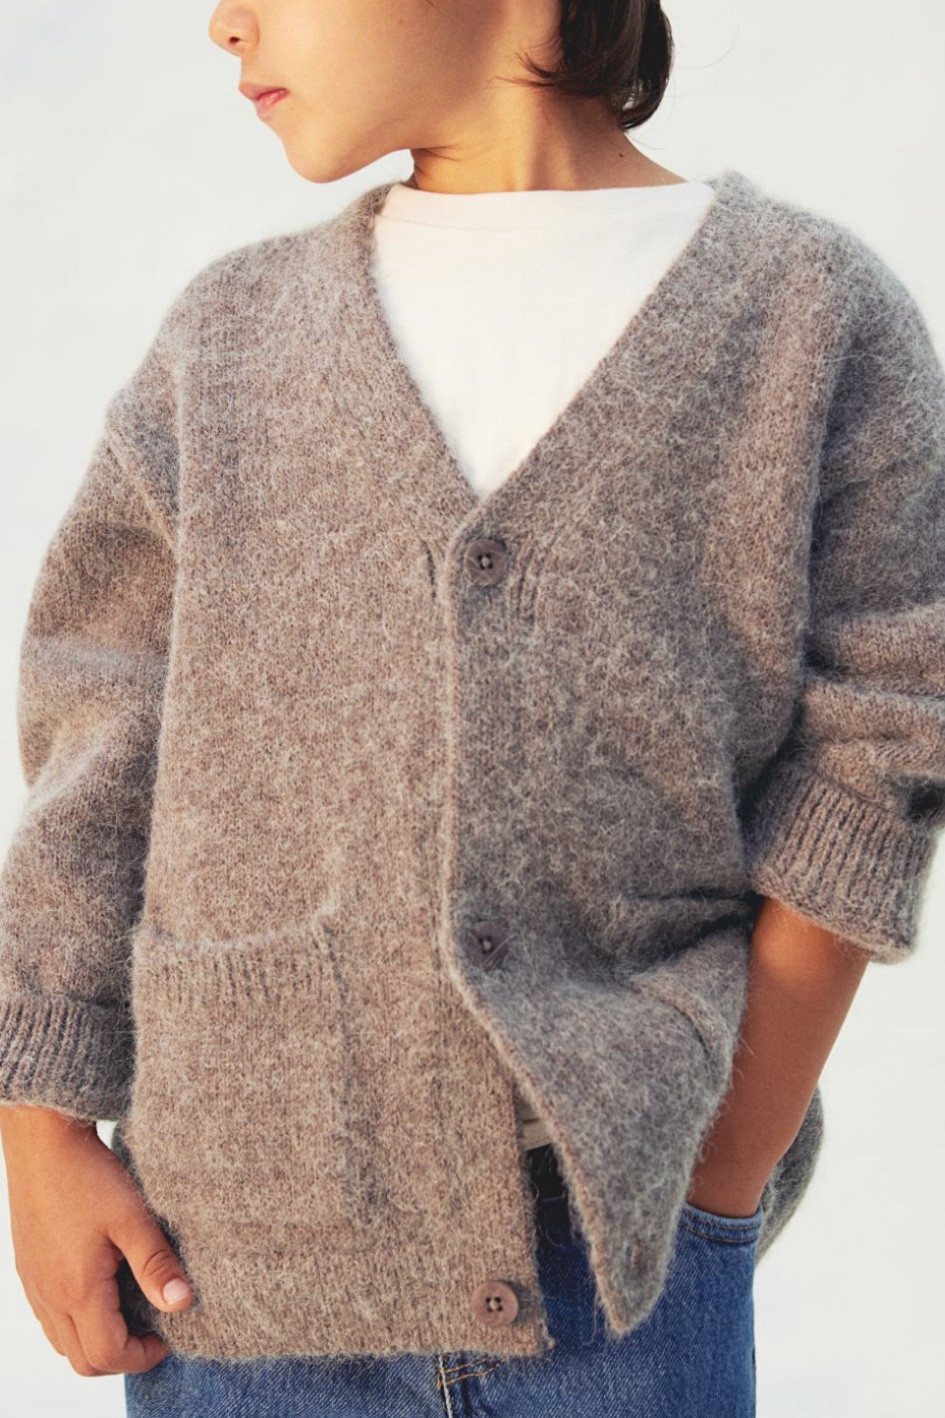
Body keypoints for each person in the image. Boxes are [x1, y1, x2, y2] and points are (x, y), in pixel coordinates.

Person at [1, 3, 943, 1416]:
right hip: (238, 1255)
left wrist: (725, 1158)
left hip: (622, 1264)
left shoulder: (811, 319)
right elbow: (100, 734)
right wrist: (40, 1118)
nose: (225, 23)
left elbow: (887, 730)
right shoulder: (228, 341)